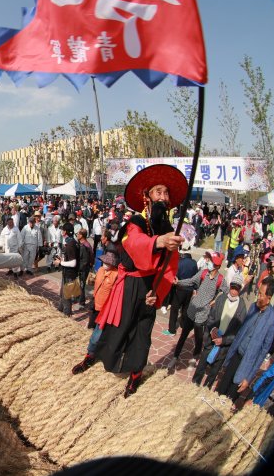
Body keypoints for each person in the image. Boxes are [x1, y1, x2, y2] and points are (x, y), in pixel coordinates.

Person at [72, 164, 186, 398]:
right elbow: (134, 245)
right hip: (128, 285)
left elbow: (169, 266)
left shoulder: (167, 227)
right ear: (147, 197)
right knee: (106, 326)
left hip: (149, 290)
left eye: (166, 193)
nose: (163, 197)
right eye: (158, 192)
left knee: (142, 334)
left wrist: (158, 292)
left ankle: (135, 376)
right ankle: (90, 356)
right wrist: (158, 242)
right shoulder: (135, 222)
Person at [216, 278, 274, 400]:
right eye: (258, 292)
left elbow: (263, 352)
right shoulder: (253, 308)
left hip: (247, 365)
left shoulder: (272, 320)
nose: (258, 296)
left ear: (269, 298)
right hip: (236, 356)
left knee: (228, 400)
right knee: (220, 391)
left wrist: (249, 378)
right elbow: (240, 333)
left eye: (261, 294)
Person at [167, 249, 227, 368]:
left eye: (212, 261)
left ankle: (195, 356)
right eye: (209, 259)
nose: (208, 262)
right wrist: (178, 282)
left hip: (203, 314)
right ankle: (175, 356)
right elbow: (190, 281)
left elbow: (225, 293)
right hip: (192, 310)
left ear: (218, 265)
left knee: (199, 338)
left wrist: (215, 300)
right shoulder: (203, 273)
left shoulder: (221, 280)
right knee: (183, 335)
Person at [191, 273, 248, 387]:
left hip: (224, 345)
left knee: (215, 369)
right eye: (232, 288)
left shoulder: (242, 307)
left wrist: (224, 340)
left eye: (236, 289)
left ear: (240, 289)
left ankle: (207, 387)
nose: (233, 291)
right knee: (202, 363)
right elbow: (211, 317)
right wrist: (213, 331)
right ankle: (195, 383)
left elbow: (238, 332)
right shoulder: (221, 298)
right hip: (212, 338)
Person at [161, 241, 201, 336]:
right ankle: (183, 325)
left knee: (175, 309)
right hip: (190, 289)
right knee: (185, 309)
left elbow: (175, 277)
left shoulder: (179, 263)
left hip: (179, 289)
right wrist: (195, 288)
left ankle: (171, 330)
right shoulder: (194, 263)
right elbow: (196, 276)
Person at [53, 223, 79, 317]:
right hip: (66, 272)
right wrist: (61, 259)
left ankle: (67, 315)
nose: (61, 231)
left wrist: (60, 263)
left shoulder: (71, 244)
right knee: (62, 293)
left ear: (65, 232)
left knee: (66, 296)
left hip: (69, 274)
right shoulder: (70, 241)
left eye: (62, 230)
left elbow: (73, 263)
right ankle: (60, 309)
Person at [90, 251, 119, 329]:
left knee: (100, 324)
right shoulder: (100, 269)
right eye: (104, 262)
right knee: (93, 319)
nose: (105, 264)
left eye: (107, 263)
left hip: (105, 303)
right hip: (96, 299)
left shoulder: (116, 274)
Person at [76, 229, 94, 307]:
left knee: (82, 285)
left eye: (78, 234)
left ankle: (81, 302)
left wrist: (79, 269)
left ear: (81, 235)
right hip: (83, 268)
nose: (77, 235)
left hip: (83, 269)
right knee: (80, 284)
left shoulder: (85, 246)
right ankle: (79, 297)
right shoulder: (84, 244)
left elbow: (85, 261)